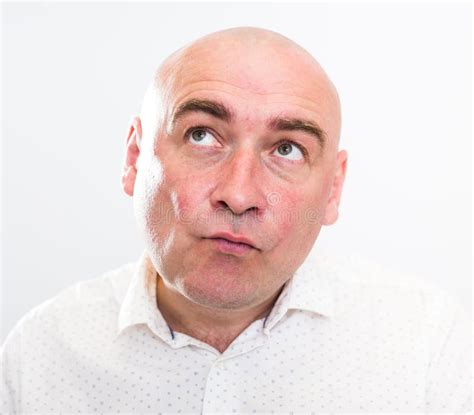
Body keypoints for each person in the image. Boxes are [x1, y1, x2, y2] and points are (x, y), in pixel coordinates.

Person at [1, 27, 471, 413]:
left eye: (287, 149)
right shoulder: (37, 358)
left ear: (333, 189)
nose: (239, 194)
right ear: (134, 158)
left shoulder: (427, 348)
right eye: (202, 135)